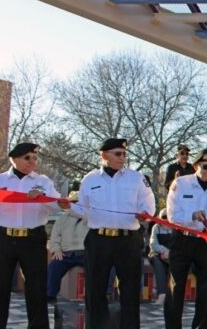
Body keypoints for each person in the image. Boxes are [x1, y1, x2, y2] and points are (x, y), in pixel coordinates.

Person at [71, 138, 155, 329]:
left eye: (124, 154)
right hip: (99, 239)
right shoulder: (90, 179)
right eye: (118, 153)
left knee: (130, 290)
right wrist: (68, 206)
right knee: (95, 289)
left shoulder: (136, 178)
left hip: (128, 240)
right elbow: (83, 209)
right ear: (103, 155)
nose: (122, 157)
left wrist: (145, 214)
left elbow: (148, 203)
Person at [0, 142, 62, 328]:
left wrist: (42, 197)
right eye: (27, 158)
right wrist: (0, 197)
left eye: (35, 158)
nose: (32, 161)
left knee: (36, 287)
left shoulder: (43, 182)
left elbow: (58, 205)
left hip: (33, 238)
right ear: (13, 159)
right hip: (4, 237)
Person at [165, 147, 207, 329]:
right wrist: (192, 216)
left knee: (205, 290)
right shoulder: (180, 184)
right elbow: (172, 216)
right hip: (182, 239)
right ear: (196, 166)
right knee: (175, 288)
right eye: (206, 166)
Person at [46, 190, 90, 303]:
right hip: (66, 254)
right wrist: (56, 250)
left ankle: (93, 296)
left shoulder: (89, 218)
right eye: (73, 202)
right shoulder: (61, 219)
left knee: (96, 269)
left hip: (85, 253)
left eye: (78, 203)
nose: (75, 205)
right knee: (54, 267)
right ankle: (50, 295)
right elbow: (55, 237)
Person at [148, 209, 173, 305]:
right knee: (158, 262)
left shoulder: (175, 228)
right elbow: (153, 244)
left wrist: (169, 253)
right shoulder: (156, 227)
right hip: (156, 254)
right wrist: (164, 251)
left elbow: (177, 244)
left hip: (170, 254)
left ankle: (172, 295)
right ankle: (162, 294)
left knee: (175, 264)